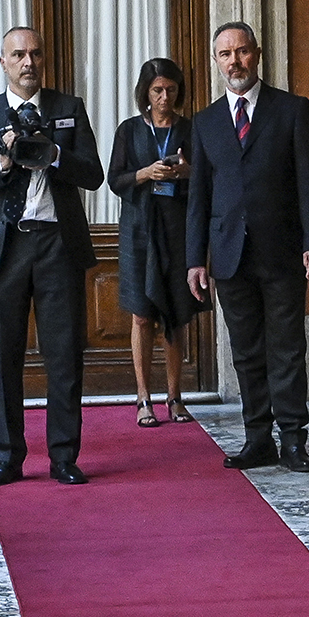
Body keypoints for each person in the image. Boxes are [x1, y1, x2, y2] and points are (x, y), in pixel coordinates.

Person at [0, 26, 104, 487]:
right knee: (3, 359)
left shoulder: (66, 109)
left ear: (44, 59)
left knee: (64, 357)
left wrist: (55, 154)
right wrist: (3, 161)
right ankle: (8, 457)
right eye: (18, 54)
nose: (28, 62)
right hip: (3, 248)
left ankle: (63, 457)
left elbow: (94, 175)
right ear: (3, 62)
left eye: (35, 53)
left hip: (58, 244)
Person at [187, 21, 309, 473]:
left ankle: (292, 440)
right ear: (217, 61)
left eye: (242, 52)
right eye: (226, 55)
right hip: (229, 256)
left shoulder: (291, 110)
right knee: (245, 350)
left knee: (286, 348)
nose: (235, 62)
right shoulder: (205, 122)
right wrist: (195, 260)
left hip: (284, 251)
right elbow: (199, 199)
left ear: (258, 53)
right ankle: (257, 438)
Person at [107, 57, 208, 428]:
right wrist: (146, 173)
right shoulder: (129, 130)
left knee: (177, 315)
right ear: (145, 94)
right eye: (157, 91)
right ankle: (143, 397)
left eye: (170, 90)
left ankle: (175, 396)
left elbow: (209, 175)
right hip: (139, 231)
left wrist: (186, 171)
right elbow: (114, 180)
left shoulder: (191, 128)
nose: (164, 97)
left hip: (179, 228)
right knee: (142, 313)